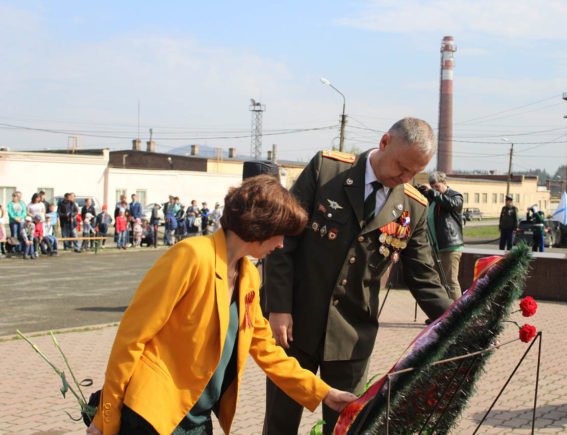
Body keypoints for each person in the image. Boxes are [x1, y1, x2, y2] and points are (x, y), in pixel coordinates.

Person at [86, 175, 356, 435]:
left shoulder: (248, 276)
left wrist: (325, 393)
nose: (282, 244)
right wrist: (106, 417)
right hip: (153, 413)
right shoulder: (191, 256)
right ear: (261, 227)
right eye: (281, 234)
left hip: (197, 416)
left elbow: (267, 351)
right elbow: (131, 338)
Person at [262, 117, 454, 434]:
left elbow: (424, 277)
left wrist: (457, 319)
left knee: (345, 427)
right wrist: (278, 307)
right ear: (384, 143)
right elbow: (284, 240)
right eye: (402, 167)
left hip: (352, 335)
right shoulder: (327, 171)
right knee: (280, 423)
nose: (405, 178)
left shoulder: (412, 206)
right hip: (296, 324)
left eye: (414, 172)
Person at [423, 171, 464, 299]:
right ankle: (443, 313)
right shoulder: (434, 200)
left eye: (437, 186)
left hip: (450, 246)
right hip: (436, 247)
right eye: (432, 186)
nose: (435, 190)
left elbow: (451, 204)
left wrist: (431, 192)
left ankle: (458, 314)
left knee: (450, 282)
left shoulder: (455, 196)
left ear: (444, 183)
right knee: (439, 282)